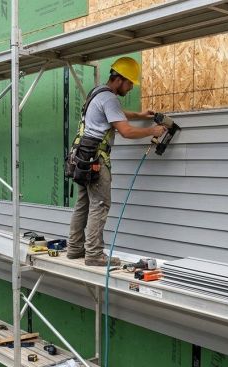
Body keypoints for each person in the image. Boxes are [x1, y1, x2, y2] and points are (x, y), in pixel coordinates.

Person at [67, 57, 168, 266]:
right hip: (96, 158)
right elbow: (125, 131)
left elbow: (116, 115)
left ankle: (75, 248)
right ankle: (94, 255)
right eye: (130, 82)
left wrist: (139, 114)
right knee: (100, 204)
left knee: (83, 204)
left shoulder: (97, 93)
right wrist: (153, 130)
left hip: (81, 157)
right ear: (119, 79)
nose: (131, 87)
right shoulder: (110, 98)